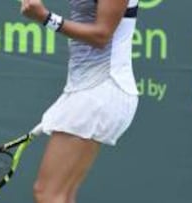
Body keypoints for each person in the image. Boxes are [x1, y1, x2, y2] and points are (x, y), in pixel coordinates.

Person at [21, 0, 139, 202]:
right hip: (91, 89)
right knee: (63, 195)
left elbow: (102, 35)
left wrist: (46, 18)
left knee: (47, 193)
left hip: (101, 88)